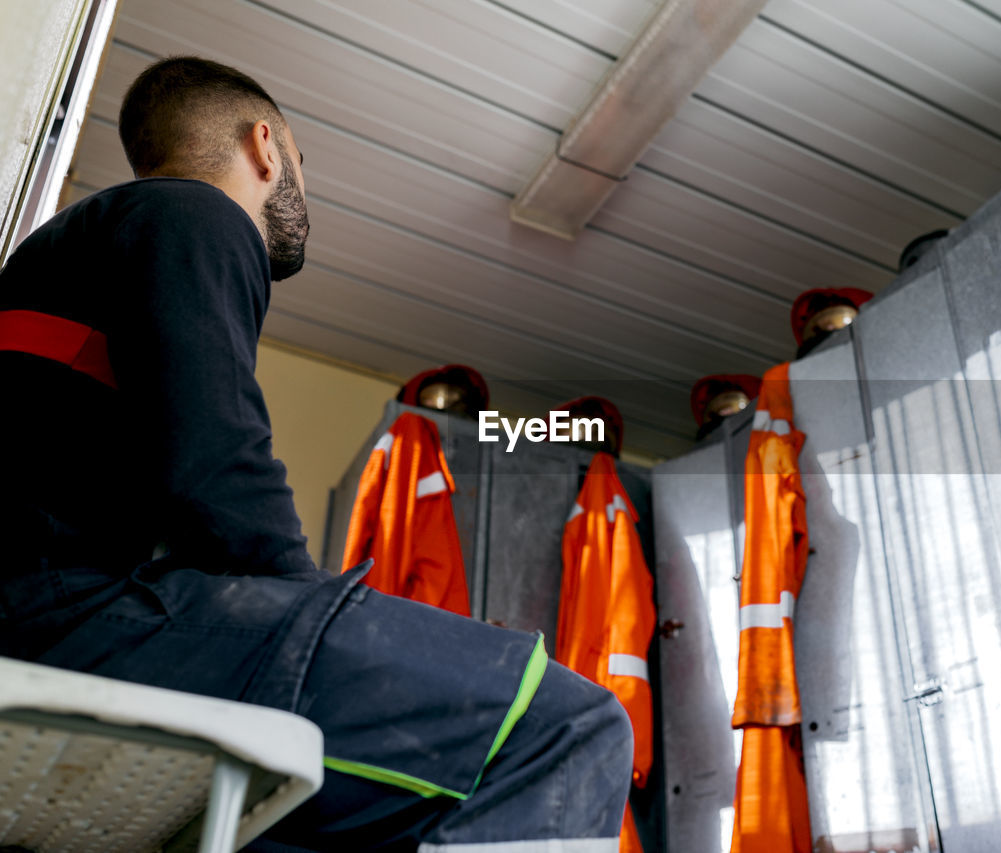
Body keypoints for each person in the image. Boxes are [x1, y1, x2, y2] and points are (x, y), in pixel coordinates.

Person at [0, 56, 630, 851]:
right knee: (566, 723)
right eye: (302, 163)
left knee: (365, 809)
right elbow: (212, 460)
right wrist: (305, 601)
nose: (305, 187)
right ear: (266, 147)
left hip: (55, 615)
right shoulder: (192, 213)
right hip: (78, 620)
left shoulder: (68, 247)